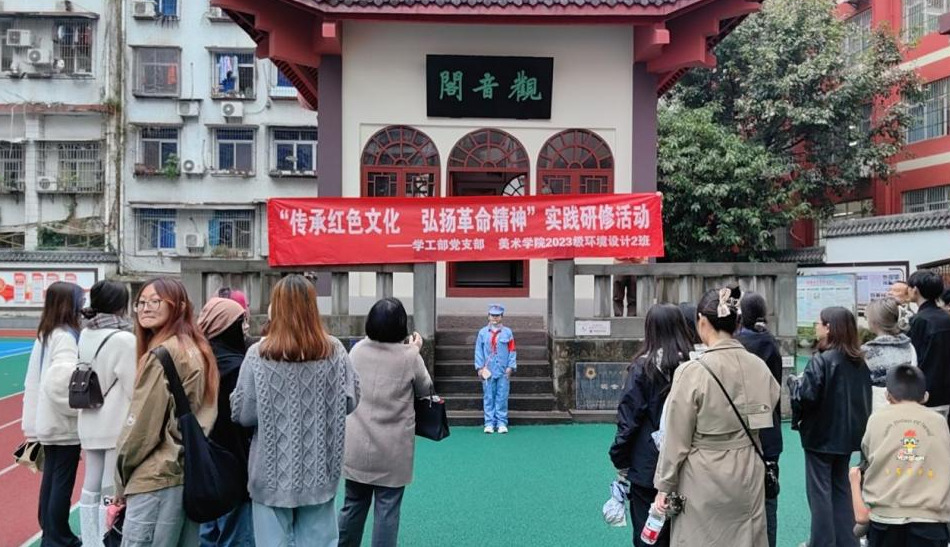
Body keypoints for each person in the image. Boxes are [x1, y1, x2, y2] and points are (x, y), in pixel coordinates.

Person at [231, 274, 360, 547]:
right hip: (320, 470)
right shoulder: (335, 350)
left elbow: (243, 413)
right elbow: (351, 401)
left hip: (271, 472)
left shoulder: (258, 354)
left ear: (275, 307)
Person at [653, 287, 780, 546]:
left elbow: (676, 440)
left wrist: (664, 486)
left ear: (702, 321)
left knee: (701, 536)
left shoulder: (692, 372)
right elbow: (770, 405)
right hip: (748, 466)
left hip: (704, 472)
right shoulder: (759, 367)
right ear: (737, 324)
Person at [116, 277, 219, 547]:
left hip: (157, 476)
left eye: (156, 301)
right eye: (141, 302)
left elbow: (141, 429)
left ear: (179, 306)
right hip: (187, 471)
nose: (146, 308)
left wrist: (120, 477)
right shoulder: (198, 348)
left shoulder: (162, 355)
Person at [338, 298, 433, 547]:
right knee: (387, 511)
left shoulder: (357, 351)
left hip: (357, 445)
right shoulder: (409, 357)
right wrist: (415, 349)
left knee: (353, 504)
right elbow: (425, 388)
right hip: (392, 450)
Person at [609, 304, 694, 547]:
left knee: (650, 533)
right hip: (688, 460)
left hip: (649, 464)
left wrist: (619, 456)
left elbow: (629, 419)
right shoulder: (694, 365)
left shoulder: (643, 367)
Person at [789, 306, 872, 547]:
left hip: (820, 437)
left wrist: (794, 385)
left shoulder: (822, 361)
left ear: (829, 328)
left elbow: (806, 397)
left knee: (820, 494)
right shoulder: (859, 362)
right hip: (848, 437)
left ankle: (822, 542)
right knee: (841, 489)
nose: (816, 326)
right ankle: (847, 540)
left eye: (819, 322)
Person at [22, 281, 85, 547]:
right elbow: (62, 381)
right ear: (70, 304)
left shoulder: (46, 333)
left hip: (46, 419)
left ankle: (51, 531)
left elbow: (33, 380)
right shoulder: (66, 336)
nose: (84, 305)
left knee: (51, 480)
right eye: (80, 300)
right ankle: (58, 536)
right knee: (61, 481)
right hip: (61, 421)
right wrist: (78, 410)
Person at [861, 365, 950, 547]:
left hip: (885, 516)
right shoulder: (939, 422)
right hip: (930, 519)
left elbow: (868, 456)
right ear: (925, 396)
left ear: (888, 395)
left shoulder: (876, 419)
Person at [77, 280, 137, 547]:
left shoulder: (85, 333)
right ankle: (106, 538)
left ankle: (90, 540)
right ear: (121, 304)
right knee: (110, 487)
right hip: (115, 422)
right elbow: (133, 386)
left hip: (89, 416)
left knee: (90, 483)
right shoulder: (124, 339)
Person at [197, 297, 254, 547]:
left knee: (207, 533)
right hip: (236, 464)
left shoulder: (196, 361)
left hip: (202, 463)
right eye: (241, 322)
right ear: (226, 326)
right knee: (236, 535)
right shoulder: (239, 367)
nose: (245, 328)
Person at [735, 292, 784, 547]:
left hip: (740, 431)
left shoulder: (737, 345)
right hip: (768, 429)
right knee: (768, 497)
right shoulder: (771, 343)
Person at [906, 269, 950, 417]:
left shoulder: (919, 320)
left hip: (926, 391)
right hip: (945, 389)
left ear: (915, 290)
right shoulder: (946, 317)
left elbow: (914, 357)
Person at [862, 298, 917, 412]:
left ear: (875, 322)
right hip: (907, 403)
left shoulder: (867, 351)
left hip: (877, 407)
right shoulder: (909, 346)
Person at [475, 304, 517, 434]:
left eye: (497, 315)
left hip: (503, 370)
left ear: (502, 317)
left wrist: (511, 366)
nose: (495, 318)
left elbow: (512, 350)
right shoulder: (482, 333)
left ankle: (501, 422)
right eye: (492, 315)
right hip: (488, 370)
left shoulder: (508, 332)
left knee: (502, 396)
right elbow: (478, 351)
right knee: (488, 396)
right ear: (488, 316)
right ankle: (489, 422)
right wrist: (479, 367)